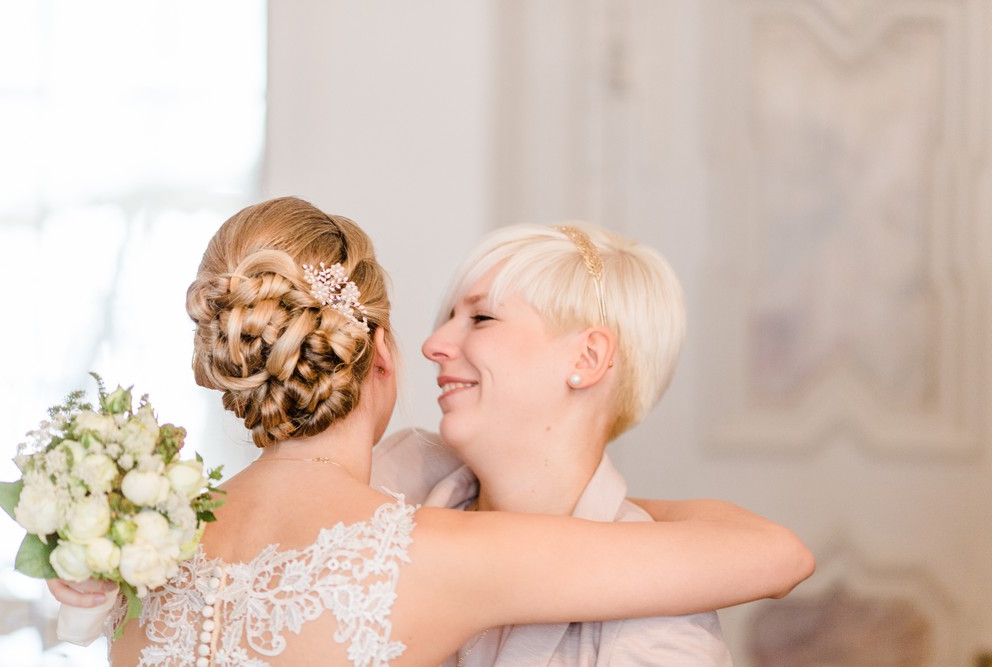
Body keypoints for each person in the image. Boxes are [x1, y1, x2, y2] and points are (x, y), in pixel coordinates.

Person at [50, 197, 814, 666]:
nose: (435, 344)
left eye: (479, 316)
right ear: (376, 350)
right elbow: (775, 555)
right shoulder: (422, 542)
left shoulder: (143, 552)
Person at [369, 222, 743, 665]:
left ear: (587, 358)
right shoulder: (397, 481)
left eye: (482, 318)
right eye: (448, 319)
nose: (433, 345)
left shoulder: (660, 622)